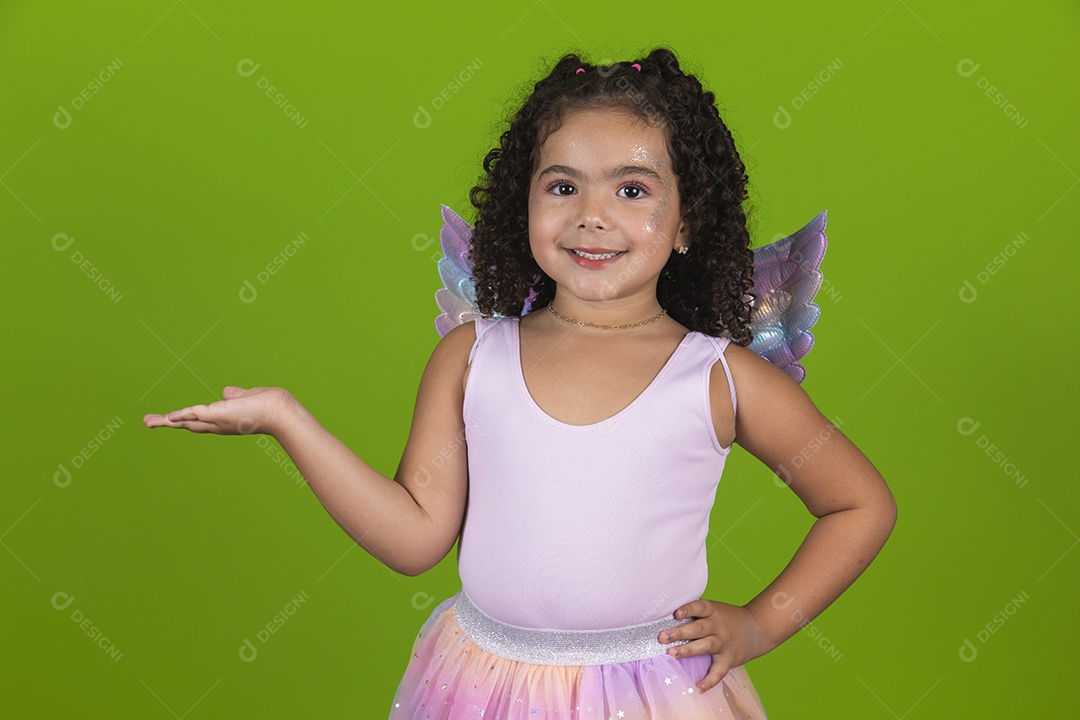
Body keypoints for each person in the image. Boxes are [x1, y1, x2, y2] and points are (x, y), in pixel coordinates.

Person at [144, 47, 897, 719]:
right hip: (481, 687)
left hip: (651, 694)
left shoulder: (721, 377)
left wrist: (760, 623)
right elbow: (414, 539)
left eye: (631, 191)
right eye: (562, 187)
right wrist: (287, 419)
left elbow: (858, 503)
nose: (592, 217)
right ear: (523, 204)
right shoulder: (474, 358)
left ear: (687, 222)